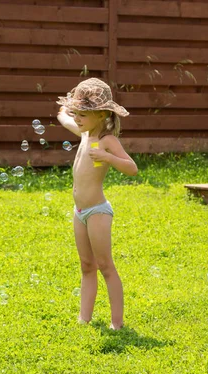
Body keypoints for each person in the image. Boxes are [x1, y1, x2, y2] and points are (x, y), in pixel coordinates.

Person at [56, 78, 138, 330]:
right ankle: (85, 318)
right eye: (77, 113)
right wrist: (63, 110)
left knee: (105, 265)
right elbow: (65, 119)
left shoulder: (106, 140)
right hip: (79, 211)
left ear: (101, 114)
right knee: (87, 265)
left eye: (83, 114)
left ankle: (117, 322)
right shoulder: (84, 132)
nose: (77, 119)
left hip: (97, 211)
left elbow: (132, 168)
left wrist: (107, 156)